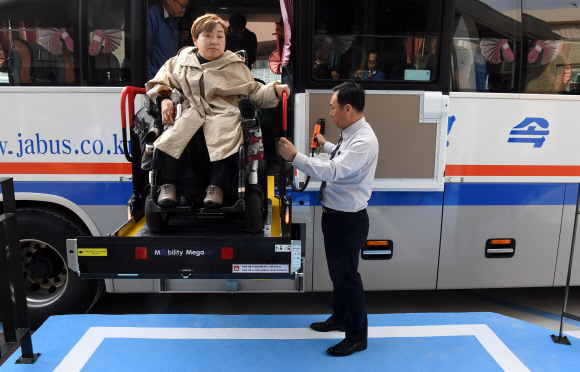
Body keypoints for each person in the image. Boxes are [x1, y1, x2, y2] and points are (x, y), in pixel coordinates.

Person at [147, 14, 290, 208]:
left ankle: (217, 187)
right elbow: (160, 83)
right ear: (195, 39)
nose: (214, 41)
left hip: (224, 113)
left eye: (220, 36)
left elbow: (254, 90)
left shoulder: (235, 64)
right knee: (175, 131)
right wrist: (164, 100)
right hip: (190, 110)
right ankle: (168, 184)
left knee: (227, 130)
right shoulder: (178, 62)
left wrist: (274, 89)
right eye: (207, 35)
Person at [278, 81, 378, 357]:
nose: (330, 113)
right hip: (335, 217)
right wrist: (326, 144)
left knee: (348, 277)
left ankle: (357, 336)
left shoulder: (364, 141)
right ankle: (341, 317)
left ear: (348, 108)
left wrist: (296, 157)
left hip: (348, 220)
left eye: (333, 108)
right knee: (338, 274)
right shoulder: (350, 134)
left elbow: (336, 170)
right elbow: (343, 157)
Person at [148, 0, 190, 80]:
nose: (183, 10)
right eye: (182, 5)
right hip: (156, 78)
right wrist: (151, 80)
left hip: (168, 78)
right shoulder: (152, 15)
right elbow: (143, 50)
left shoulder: (173, 20)